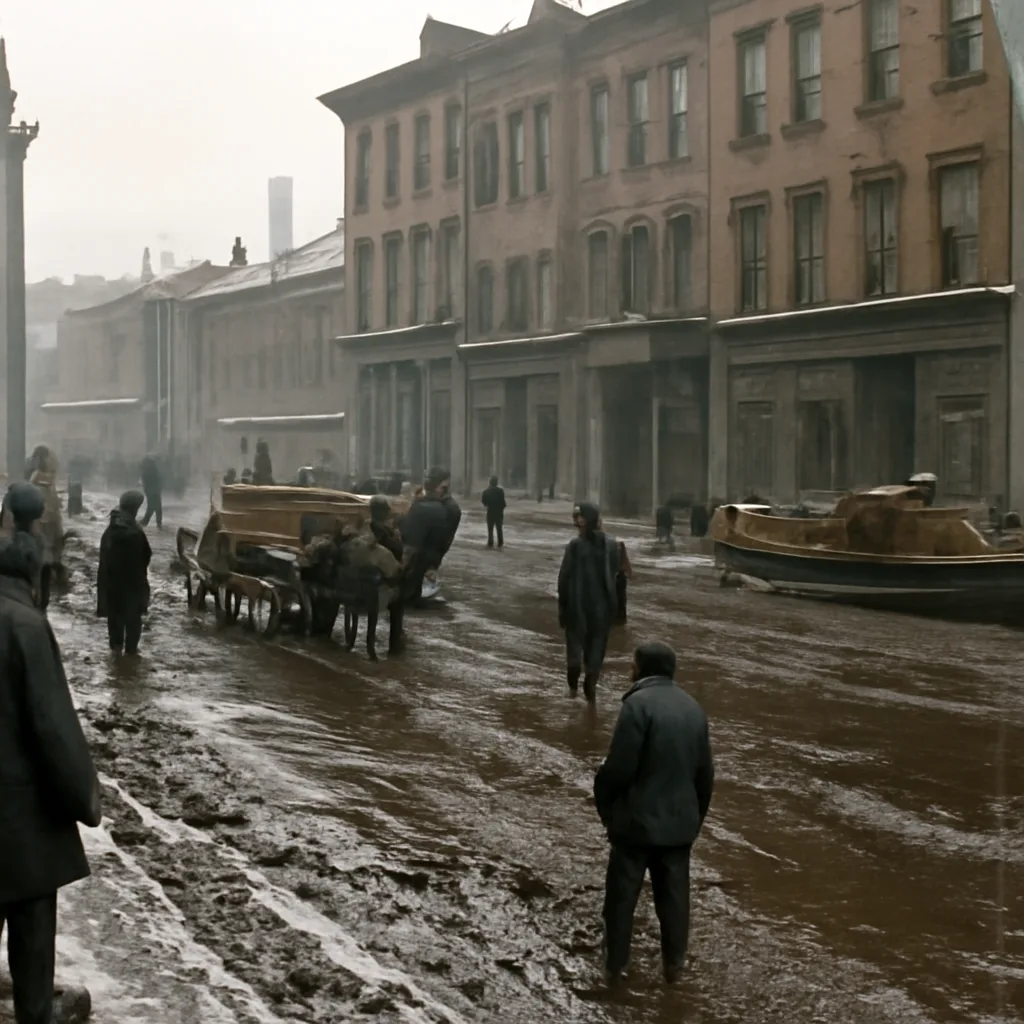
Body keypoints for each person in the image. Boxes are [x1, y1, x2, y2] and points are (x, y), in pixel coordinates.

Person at [0, 485, 102, 1024]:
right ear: (34, 576)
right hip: (25, 834)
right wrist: (87, 798)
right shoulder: (28, 627)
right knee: (34, 975)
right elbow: (55, 729)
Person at [594, 641, 714, 986]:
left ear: (641, 668)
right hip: (679, 826)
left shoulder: (636, 706)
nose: (629, 669)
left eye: (632, 664)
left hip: (634, 826)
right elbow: (705, 776)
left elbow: (619, 769)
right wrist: (693, 820)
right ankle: (674, 971)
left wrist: (606, 809)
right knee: (674, 902)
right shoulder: (695, 710)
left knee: (621, 901)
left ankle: (614, 971)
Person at [557, 502, 619, 702]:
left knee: (584, 649)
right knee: (587, 650)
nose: (576, 519)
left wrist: (563, 607)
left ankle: (581, 688)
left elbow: (564, 578)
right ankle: (582, 687)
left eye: (579, 516)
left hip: (587, 605)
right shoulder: (599, 544)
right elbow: (564, 579)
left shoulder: (590, 545)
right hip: (590, 605)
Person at [97, 491, 152, 656]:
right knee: (133, 621)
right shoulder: (135, 532)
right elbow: (146, 556)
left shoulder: (111, 528)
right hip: (133, 585)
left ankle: (116, 656)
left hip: (112, 584)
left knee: (115, 618)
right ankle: (130, 657)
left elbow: (104, 557)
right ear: (134, 509)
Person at [399, 468, 461, 601]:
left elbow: (412, 545)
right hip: (431, 556)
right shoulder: (447, 507)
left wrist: (402, 567)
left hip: (420, 559)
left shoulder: (426, 508)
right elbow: (446, 540)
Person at [481, 475, 506, 549]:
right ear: (497, 482)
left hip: (490, 511)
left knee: (490, 528)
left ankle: (490, 542)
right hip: (499, 512)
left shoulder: (486, 491)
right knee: (499, 528)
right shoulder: (500, 491)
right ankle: (500, 543)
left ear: (490, 482)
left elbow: (484, 502)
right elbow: (503, 502)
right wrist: (501, 508)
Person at [139, 454, 163, 528]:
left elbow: (146, 479)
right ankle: (156, 522)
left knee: (152, 506)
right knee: (156, 506)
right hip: (155, 490)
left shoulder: (147, 469)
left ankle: (145, 522)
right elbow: (158, 479)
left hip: (151, 491)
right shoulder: (153, 468)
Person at [614, 539, 632, 624]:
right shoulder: (618, 544)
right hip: (620, 576)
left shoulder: (616, 544)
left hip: (617, 576)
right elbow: (625, 560)